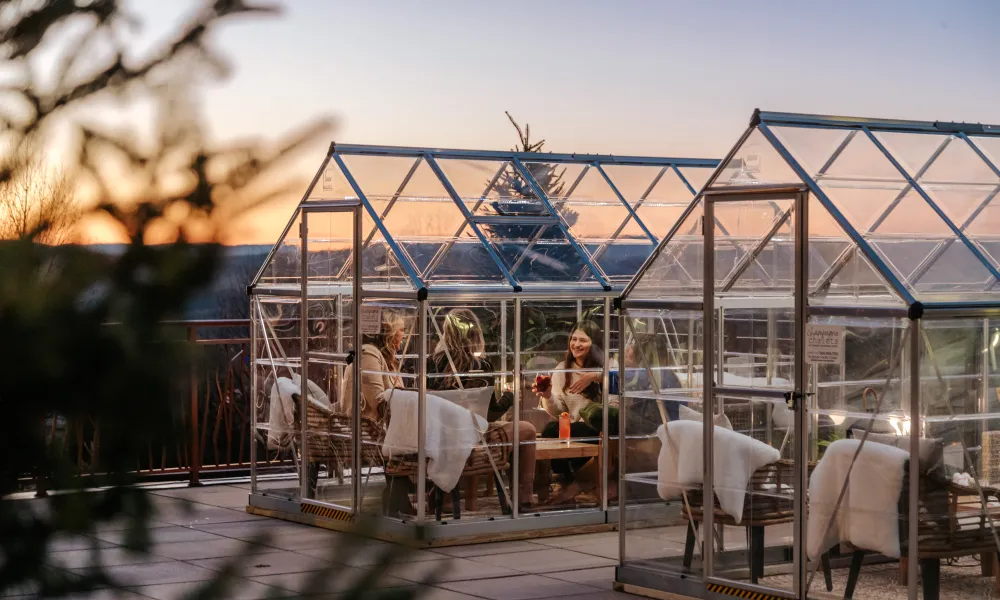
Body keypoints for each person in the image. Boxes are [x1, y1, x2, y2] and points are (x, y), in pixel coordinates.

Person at [427, 308, 538, 511]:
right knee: (528, 429)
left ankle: (442, 496)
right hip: (472, 436)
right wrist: (509, 396)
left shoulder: (430, 362)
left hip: (437, 436)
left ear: (446, 333)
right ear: (476, 333)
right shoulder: (480, 365)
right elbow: (490, 413)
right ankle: (524, 497)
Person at [339, 308, 414, 516]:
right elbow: (378, 400)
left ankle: (397, 496)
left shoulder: (384, 357)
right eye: (401, 330)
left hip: (384, 426)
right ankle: (399, 494)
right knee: (418, 440)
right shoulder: (369, 354)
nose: (404, 335)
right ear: (389, 333)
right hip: (369, 429)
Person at [532, 320, 607, 502]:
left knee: (573, 431)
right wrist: (548, 394)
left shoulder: (609, 367)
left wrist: (596, 377)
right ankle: (564, 478)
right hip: (574, 427)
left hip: (599, 427)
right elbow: (558, 411)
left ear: (595, 344)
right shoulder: (562, 369)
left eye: (583, 340)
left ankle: (573, 481)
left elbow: (615, 402)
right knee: (551, 429)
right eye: (573, 339)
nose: (576, 344)